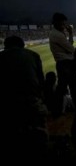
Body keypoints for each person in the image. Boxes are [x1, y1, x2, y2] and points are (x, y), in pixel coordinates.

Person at [0, 35, 48, 165]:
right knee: (39, 135)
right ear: (22, 45)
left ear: (6, 46)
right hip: (32, 101)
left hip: (7, 105)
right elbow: (41, 82)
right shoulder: (33, 55)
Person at [49, 12, 76, 115]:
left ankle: (56, 109)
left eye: (64, 23)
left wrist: (70, 34)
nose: (64, 25)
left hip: (64, 63)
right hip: (66, 63)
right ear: (56, 23)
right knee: (72, 87)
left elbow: (69, 45)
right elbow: (71, 49)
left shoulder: (58, 33)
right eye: (62, 23)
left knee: (63, 87)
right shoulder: (57, 35)